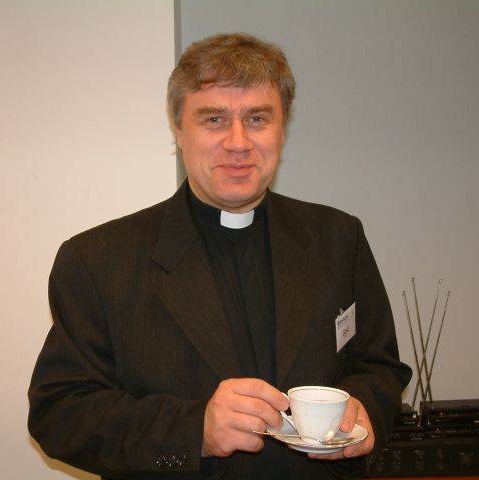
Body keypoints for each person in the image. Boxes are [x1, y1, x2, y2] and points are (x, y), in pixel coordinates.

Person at [28, 33, 412, 479]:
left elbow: (379, 365)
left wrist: (364, 411)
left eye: (257, 118)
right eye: (214, 119)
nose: (238, 141)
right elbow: (60, 413)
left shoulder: (339, 238)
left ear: (282, 129)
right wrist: (194, 431)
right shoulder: (97, 260)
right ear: (179, 129)